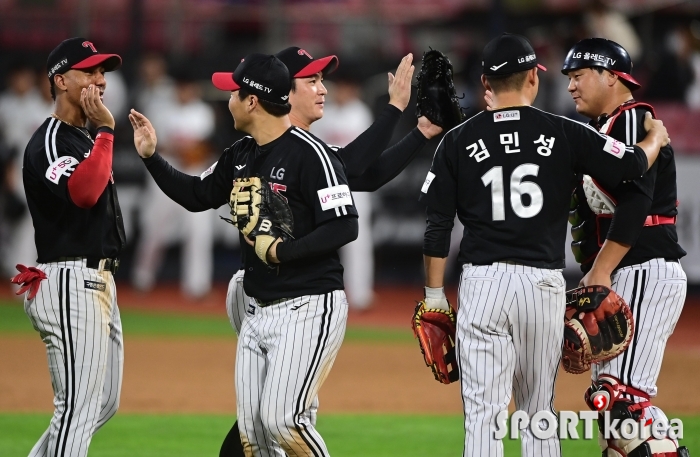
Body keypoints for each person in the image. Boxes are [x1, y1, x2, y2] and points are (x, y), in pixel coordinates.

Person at [419, 33, 668, 457]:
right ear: (533, 79)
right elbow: (629, 166)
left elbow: (437, 226)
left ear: (485, 83)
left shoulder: (457, 140)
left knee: (484, 414)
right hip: (542, 287)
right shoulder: (565, 131)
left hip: (482, 284)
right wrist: (655, 140)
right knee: (537, 411)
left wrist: (434, 296)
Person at [130, 53, 359, 456]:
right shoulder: (241, 153)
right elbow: (197, 195)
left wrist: (284, 251)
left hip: (309, 304)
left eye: (234, 92)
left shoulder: (312, 154)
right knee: (252, 434)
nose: (229, 99)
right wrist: (151, 156)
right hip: (257, 309)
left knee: (284, 421)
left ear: (253, 101)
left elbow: (345, 225)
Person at [219, 47, 442, 457]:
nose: (322, 89)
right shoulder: (279, 141)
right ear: (283, 90)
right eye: (311, 81)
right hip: (258, 290)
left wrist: (419, 133)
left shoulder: (305, 144)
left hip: (295, 291)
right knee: (272, 414)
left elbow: (362, 174)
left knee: (280, 412)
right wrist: (395, 110)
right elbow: (356, 168)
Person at [562, 38, 689, 456]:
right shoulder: (602, 128)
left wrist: (600, 270)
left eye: (578, 76)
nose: (571, 87)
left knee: (621, 403)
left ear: (611, 77)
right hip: (628, 271)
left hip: (642, 268)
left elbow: (635, 200)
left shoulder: (633, 118)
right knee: (616, 424)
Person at [13, 37, 125, 457]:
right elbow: (84, 193)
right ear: (60, 80)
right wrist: (108, 132)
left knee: (100, 404)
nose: (100, 80)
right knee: (76, 411)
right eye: (89, 72)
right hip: (68, 283)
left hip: (95, 281)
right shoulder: (52, 139)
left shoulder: (81, 139)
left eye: (103, 72)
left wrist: (100, 136)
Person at [131, 70, 216, 298]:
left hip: (196, 177)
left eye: (188, 87)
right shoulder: (162, 112)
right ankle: (142, 278)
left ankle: (197, 286)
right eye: (181, 87)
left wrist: (187, 150)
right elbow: (156, 146)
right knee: (154, 230)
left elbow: (202, 148)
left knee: (199, 232)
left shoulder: (203, 112)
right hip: (165, 176)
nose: (185, 91)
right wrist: (184, 149)